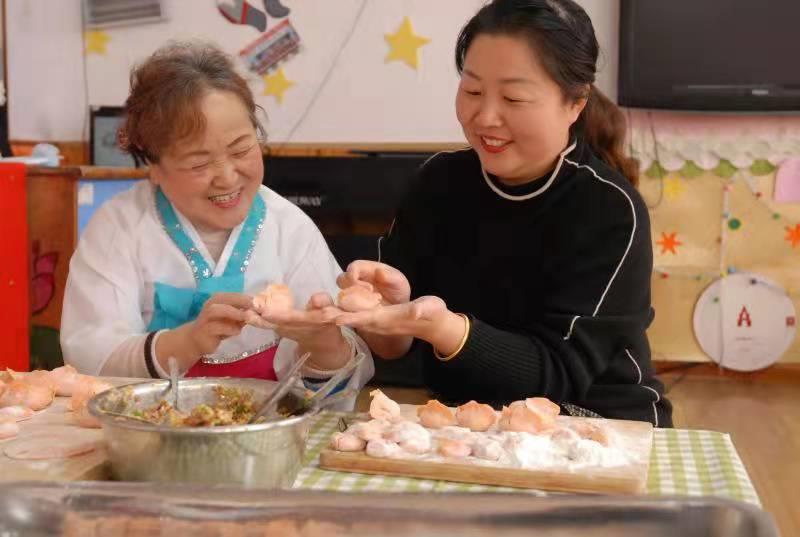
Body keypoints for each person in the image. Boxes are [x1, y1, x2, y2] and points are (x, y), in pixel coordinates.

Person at [336, 0, 672, 426]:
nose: (485, 117)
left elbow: (556, 375)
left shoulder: (609, 210)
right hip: (469, 425)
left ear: (576, 102)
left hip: (596, 425)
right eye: (473, 91)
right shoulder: (437, 183)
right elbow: (392, 349)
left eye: (513, 97)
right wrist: (382, 312)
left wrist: (444, 327)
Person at [61, 42, 373, 407]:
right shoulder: (119, 228)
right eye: (199, 164)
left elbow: (342, 372)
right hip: (150, 427)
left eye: (241, 150)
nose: (226, 177)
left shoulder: (289, 228)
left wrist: (325, 345)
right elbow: (91, 358)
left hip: (269, 426)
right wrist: (186, 342)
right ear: (155, 168)